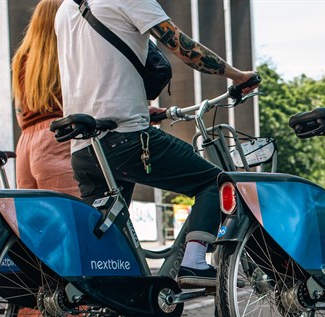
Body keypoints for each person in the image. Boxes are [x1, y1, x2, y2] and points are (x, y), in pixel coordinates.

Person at [55, 0, 258, 289]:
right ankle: (195, 262)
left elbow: (93, 67)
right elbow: (182, 46)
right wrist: (239, 77)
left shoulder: (65, 9)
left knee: (107, 235)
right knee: (214, 183)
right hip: (127, 138)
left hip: (85, 147)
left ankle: (111, 306)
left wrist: (138, 104)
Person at [10, 0, 144, 317]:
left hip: (28, 142)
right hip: (60, 139)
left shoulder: (24, 56)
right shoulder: (64, 48)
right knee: (80, 240)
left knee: (38, 239)